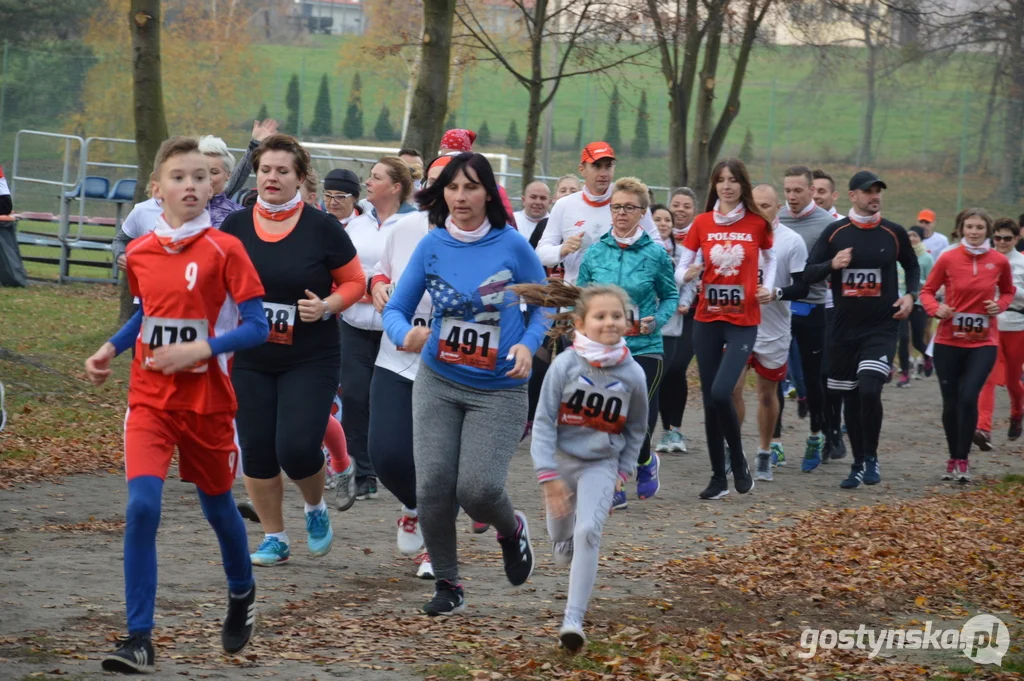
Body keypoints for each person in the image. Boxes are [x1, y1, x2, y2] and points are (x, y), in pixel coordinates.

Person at [84, 136, 270, 672]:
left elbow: (257, 327)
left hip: (206, 404)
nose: (190, 186)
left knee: (217, 507)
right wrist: (109, 348)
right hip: (149, 402)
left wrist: (205, 346)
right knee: (142, 508)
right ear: (157, 189)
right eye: (179, 177)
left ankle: (242, 592)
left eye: (199, 177)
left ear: (214, 186)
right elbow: (147, 315)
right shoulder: (141, 252)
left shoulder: (226, 250)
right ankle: (138, 637)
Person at [382, 152, 551, 616]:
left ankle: (511, 528)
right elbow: (394, 310)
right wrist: (406, 335)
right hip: (439, 379)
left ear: (489, 193)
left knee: (476, 489)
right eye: (453, 188)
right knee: (433, 485)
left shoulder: (512, 245)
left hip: (498, 387)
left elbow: (545, 303)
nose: (461, 197)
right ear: (442, 194)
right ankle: (448, 583)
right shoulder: (432, 244)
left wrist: (528, 344)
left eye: (471, 187)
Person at [220, 133, 366, 567]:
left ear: (301, 178)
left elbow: (355, 283)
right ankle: (274, 537)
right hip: (252, 355)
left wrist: (326, 306)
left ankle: (315, 508)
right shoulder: (236, 226)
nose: (272, 178)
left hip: (310, 355)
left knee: (297, 447)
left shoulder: (322, 228)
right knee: (258, 448)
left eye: (283, 171)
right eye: (265, 169)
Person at [516, 281, 648, 652]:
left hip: (602, 464)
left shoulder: (632, 374)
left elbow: (637, 428)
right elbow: (542, 423)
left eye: (617, 316)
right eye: (601, 316)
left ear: (627, 321)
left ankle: (573, 619)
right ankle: (561, 540)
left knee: (588, 531)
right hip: (560, 462)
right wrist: (548, 477)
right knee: (562, 535)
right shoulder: (565, 365)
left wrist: (622, 472)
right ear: (581, 322)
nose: (610, 323)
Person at [798, 170, 919, 489]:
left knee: (869, 389)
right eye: (867, 191)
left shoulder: (893, 232)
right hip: (842, 331)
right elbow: (808, 273)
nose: (874, 196)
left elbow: (912, 266)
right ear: (852, 196)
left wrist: (911, 294)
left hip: (881, 327)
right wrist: (832, 265)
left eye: (878, 190)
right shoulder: (835, 232)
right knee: (850, 398)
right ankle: (857, 463)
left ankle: (871, 457)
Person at [366, 156, 450, 580]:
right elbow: (380, 273)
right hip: (397, 357)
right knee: (386, 454)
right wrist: (377, 286)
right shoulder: (404, 229)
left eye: (454, 184)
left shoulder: (493, 239)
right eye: (434, 183)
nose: (445, 193)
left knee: (438, 462)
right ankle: (415, 505)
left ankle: (437, 547)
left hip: (453, 366)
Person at [676, 158, 775, 500]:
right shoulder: (702, 223)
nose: (727, 186)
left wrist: (768, 287)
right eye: (721, 180)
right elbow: (683, 265)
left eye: (733, 180)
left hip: (743, 322)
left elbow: (771, 258)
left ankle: (739, 461)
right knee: (710, 398)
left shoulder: (757, 223)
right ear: (714, 185)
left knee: (722, 392)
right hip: (707, 320)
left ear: (742, 185)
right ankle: (719, 476)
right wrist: (684, 276)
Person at [576, 177, 678, 508]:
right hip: (603, 351)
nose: (621, 213)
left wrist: (657, 321)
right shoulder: (594, 252)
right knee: (607, 419)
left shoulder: (655, 254)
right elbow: (580, 298)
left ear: (642, 212)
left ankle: (645, 460)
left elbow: (670, 295)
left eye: (629, 207)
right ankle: (616, 483)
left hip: (645, 349)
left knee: (633, 421)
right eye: (616, 206)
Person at [341, 156, 416, 501]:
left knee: (386, 399)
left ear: (396, 187)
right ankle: (363, 471)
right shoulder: (356, 225)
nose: (367, 182)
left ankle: (404, 466)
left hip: (396, 328)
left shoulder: (416, 225)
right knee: (355, 395)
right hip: (355, 324)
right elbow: (340, 269)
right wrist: (366, 285)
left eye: (375, 177)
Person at [920, 209, 1014, 481]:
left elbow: (1008, 291)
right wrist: (936, 309)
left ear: (988, 231)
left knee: (969, 396)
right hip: (949, 341)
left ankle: (963, 459)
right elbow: (926, 291)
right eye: (969, 227)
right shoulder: (948, 258)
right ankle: (952, 457)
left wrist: (1000, 305)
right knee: (950, 403)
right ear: (961, 229)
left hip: (983, 342)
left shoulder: (998, 261)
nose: (974, 232)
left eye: (979, 228)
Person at [731, 185, 807, 481]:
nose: (759, 210)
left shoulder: (791, 241)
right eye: (754, 205)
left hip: (774, 328)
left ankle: (764, 451)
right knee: (731, 390)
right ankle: (733, 449)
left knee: (767, 393)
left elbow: (803, 286)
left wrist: (776, 293)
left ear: (779, 207)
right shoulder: (738, 235)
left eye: (766, 205)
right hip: (738, 324)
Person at [776, 166, 836, 472]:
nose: (791, 197)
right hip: (777, 309)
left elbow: (832, 267)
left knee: (813, 381)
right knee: (772, 378)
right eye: (787, 190)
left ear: (812, 191)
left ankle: (816, 436)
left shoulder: (827, 224)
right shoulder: (775, 219)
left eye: (798, 190)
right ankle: (774, 443)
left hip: (813, 309)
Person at [536, 142, 659, 284]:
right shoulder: (564, 205)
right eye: (596, 166)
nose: (604, 173)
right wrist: (562, 249)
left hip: (619, 297)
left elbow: (657, 246)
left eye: (608, 166)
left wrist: (631, 253)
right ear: (582, 169)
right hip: (575, 295)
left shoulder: (632, 201)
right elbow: (541, 253)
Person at [656, 187, 698, 454]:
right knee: (663, 370)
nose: (680, 210)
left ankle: (677, 429)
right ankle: (665, 430)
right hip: (663, 313)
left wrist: (686, 301)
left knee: (677, 368)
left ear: (694, 210)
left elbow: (695, 276)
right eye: (676, 205)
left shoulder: (700, 236)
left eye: (686, 206)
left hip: (691, 312)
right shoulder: (657, 241)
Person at [976, 218, 1024, 446]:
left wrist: (1008, 291)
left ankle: (1017, 412)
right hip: (989, 326)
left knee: (1013, 381)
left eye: (1007, 238)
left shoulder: (1021, 263)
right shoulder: (985, 259)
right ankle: (983, 428)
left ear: (1017, 238)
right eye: (998, 238)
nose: (1002, 242)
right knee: (988, 378)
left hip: (1016, 325)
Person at [811, 169, 847, 457]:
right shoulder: (793, 222)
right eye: (811, 190)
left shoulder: (843, 227)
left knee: (829, 374)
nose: (815, 196)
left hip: (835, 309)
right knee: (809, 378)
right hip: (802, 308)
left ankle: (833, 430)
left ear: (833, 196)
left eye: (821, 191)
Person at [895, 226, 934, 386]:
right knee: (903, 338)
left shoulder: (926, 258)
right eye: (909, 235)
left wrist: (917, 283)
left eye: (915, 236)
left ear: (921, 239)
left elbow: (931, 282)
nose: (911, 238)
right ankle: (905, 374)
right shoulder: (899, 256)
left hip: (919, 302)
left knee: (918, 340)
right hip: (900, 301)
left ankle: (927, 357)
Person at [197, 136, 244, 227]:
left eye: (214, 172)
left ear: (228, 174)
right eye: (200, 172)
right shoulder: (173, 211)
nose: (206, 178)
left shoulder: (240, 216)